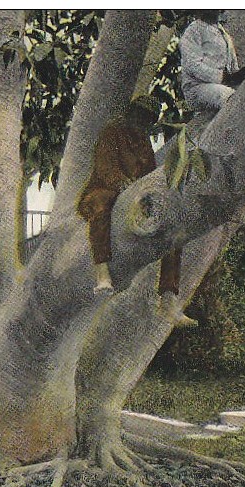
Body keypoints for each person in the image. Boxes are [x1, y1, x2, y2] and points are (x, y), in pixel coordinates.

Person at [77, 97, 196, 327]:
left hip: (132, 196)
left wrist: (146, 194)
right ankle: (102, 272)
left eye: (147, 119)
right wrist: (126, 187)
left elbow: (149, 173)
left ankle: (169, 298)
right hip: (105, 191)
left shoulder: (142, 141)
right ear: (132, 113)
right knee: (101, 205)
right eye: (140, 116)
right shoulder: (111, 133)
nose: (141, 122)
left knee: (171, 227)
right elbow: (105, 169)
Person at [179, 10, 245, 112]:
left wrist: (238, 74)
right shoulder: (193, 30)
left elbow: (231, 64)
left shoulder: (223, 33)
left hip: (222, 84)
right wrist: (223, 77)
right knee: (229, 97)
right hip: (197, 88)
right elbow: (192, 65)